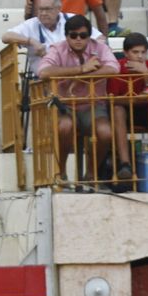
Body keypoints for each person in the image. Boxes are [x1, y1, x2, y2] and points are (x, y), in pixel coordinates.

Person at [39, 13, 119, 183]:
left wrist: (86, 74)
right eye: (73, 35)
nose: (78, 39)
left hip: (93, 104)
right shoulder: (57, 48)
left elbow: (113, 68)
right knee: (65, 126)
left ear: (89, 36)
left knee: (105, 133)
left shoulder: (100, 48)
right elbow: (44, 72)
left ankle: (91, 174)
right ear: (66, 36)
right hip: (65, 105)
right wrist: (81, 70)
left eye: (83, 35)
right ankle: (61, 173)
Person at [0, 0, 84, 77]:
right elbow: (6, 37)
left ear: (58, 9)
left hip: (76, 77)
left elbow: (97, 38)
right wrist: (31, 41)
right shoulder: (31, 24)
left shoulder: (72, 19)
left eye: (47, 9)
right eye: (40, 9)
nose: (43, 13)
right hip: (43, 83)